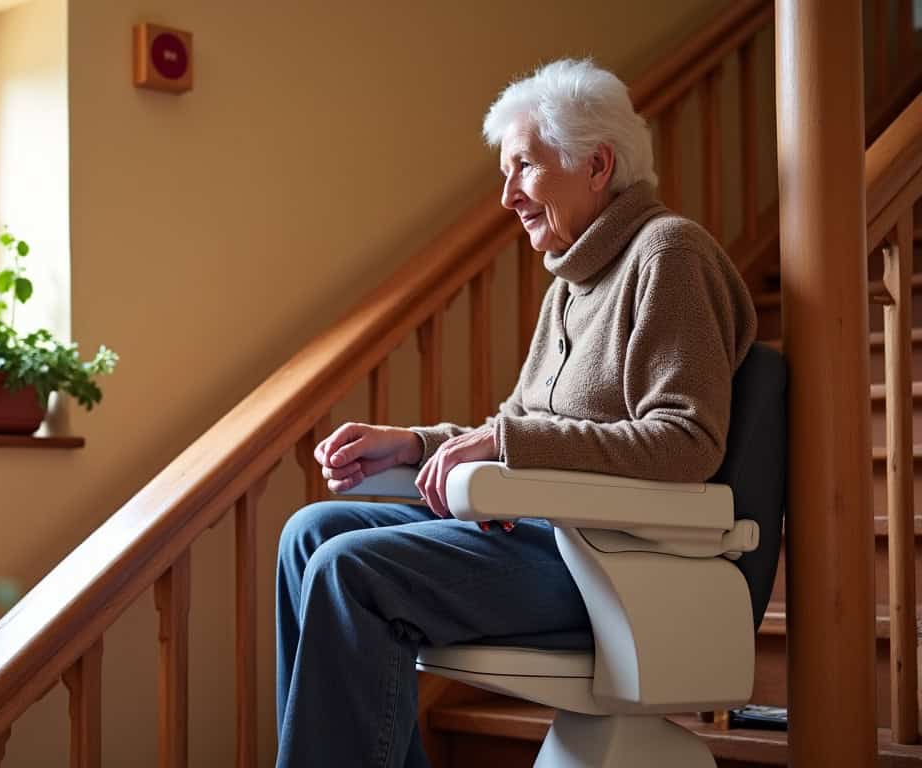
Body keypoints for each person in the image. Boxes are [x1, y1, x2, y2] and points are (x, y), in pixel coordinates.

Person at [274, 58, 758, 768]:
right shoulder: (572, 279)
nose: (507, 197)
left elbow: (686, 441)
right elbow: (516, 429)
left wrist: (507, 441)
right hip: (547, 538)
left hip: (614, 566)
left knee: (352, 570)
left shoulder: (669, 255)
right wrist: (415, 445)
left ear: (596, 165)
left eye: (524, 168)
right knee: (309, 534)